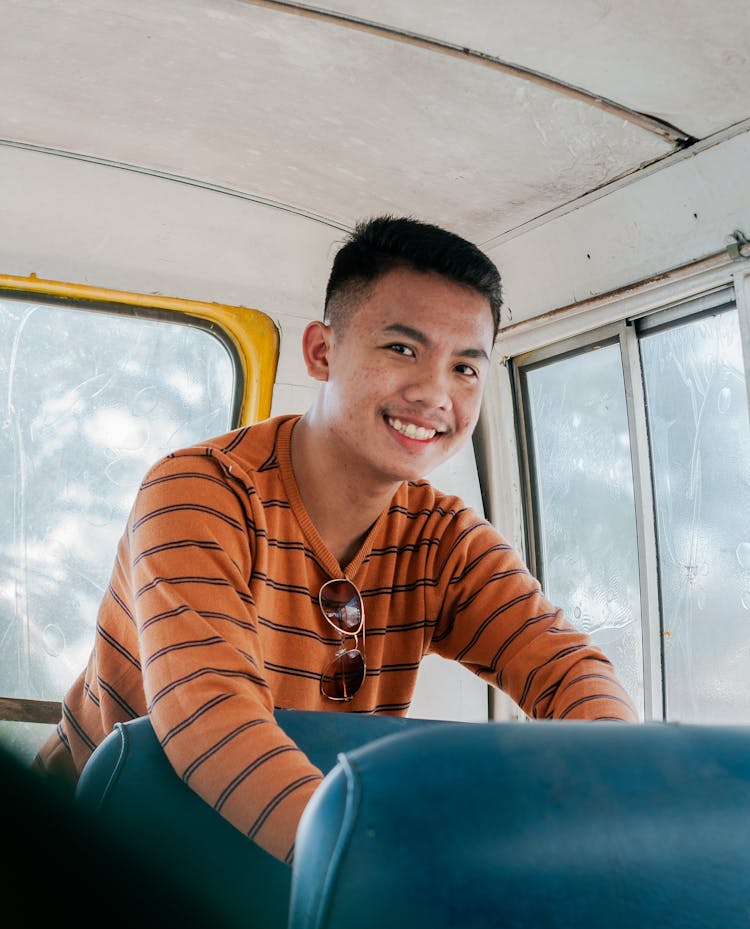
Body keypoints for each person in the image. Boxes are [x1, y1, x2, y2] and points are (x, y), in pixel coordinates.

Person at [35, 214, 638, 864]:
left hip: (281, 861)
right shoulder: (200, 493)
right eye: (402, 349)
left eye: (465, 367)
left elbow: (563, 665)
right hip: (86, 864)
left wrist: (620, 803)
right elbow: (212, 715)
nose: (435, 393)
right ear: (322, 351)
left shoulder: (446, 541)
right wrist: (372, 877)